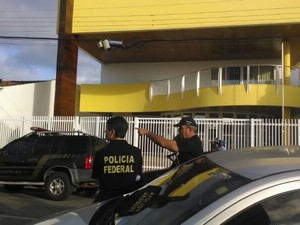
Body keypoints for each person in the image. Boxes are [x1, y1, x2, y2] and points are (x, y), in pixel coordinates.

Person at [92, 116, 143, 202]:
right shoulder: (136, 152)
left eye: (107, 129)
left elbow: (96, 178)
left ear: (112, 132)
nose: (105, 132)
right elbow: (138, 176)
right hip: (128, 200)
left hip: (107, 200)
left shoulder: (101, 153)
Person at [136, 116, 203, 167]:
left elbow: (165, 143)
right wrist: (179, 136)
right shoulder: (187, 140)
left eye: (181, 128)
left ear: (190, 129)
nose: (179, 130)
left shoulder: (192, 142)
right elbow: (173, 144)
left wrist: (147, 133)